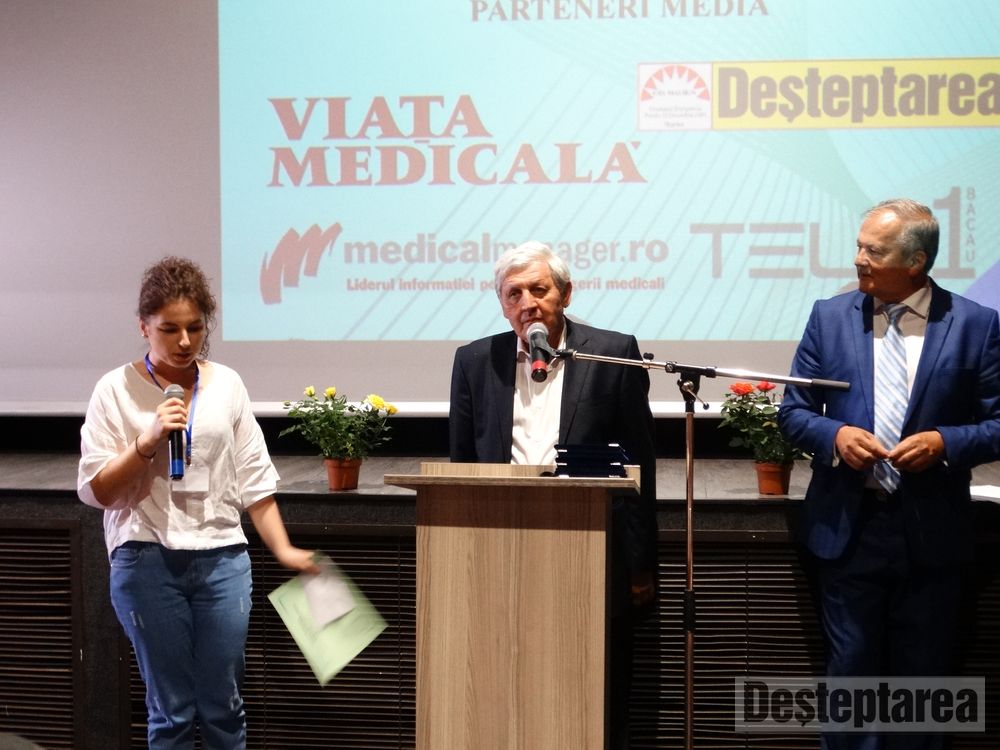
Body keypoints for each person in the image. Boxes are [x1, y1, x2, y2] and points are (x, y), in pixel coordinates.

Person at [778, 199, 1000, 749]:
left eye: (873, 251)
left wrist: (946, 442)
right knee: (850, 677)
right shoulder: (829, 317)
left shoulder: (977, 325)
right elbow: (793, 412)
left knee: (922, 686)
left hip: (933, 532)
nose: (859, 259)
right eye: (859, 246)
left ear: (916, 262)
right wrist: (835, 436)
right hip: (849, 529)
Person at [77, 256, 318, 749]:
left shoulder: (227, 383)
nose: (185, 341)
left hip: (222, 559)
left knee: (223, 705)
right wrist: (146, 442)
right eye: (169, 329)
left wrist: (285, 550)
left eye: (195, 327)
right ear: (143, 326)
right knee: (172, 711)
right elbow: (99, 491)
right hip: (146, 558)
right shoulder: (114, 389)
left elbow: (254, 479)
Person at [449, 240, 657, 749]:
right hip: (501, 550)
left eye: (539, 290)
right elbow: (462, 467)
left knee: (599, 689)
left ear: (565, 294)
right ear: (502, 304)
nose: (527, 304)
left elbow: (640, 465)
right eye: (513, 294)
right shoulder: (474, 361)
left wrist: (640, 563)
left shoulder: (612, 353)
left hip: (592, 548)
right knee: (506, 684)